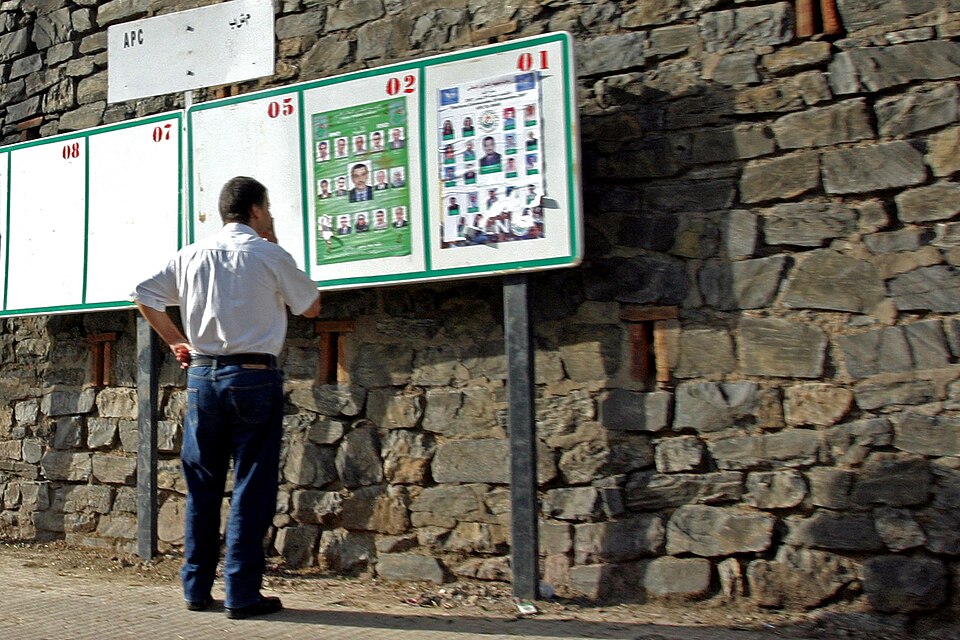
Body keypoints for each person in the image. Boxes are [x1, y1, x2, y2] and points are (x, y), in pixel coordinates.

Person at [132, 176, 320, 620]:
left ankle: (196, 589)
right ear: (256, 210)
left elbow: (143, 294)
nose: (270, 215)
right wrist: (275, 249)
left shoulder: (192, 254)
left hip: (201, 376)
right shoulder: (269, 253)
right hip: (253, 376)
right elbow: (311, 306)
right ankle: (241, 592)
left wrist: (177, 340)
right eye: (268, 208)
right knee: (251, 487)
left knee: (202, 485)